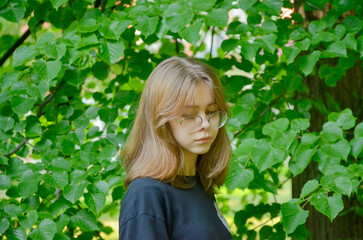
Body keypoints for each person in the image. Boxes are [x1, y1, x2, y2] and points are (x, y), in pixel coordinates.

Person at [118, 56, 232, 240]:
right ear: (160, 121)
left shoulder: (197, 185)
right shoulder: (147, 195)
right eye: (189, 115)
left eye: (211, 112)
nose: (205, 123)